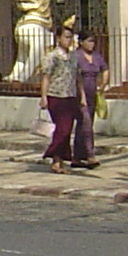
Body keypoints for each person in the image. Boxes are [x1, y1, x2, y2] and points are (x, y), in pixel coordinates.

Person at [37, 23, 83, 173]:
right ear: (58, 38)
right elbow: (46, 77)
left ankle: (58, 161)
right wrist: (43, 96)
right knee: (62, 129)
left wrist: (82, 96)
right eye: (66, 37)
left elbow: (77, 77)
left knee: (67, 129)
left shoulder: (73, 57)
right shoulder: (52, 56)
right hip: (56, 96)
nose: (69, 40)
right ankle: (52, 154)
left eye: (71, 38)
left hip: (70, 95)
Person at [72, 26, 109, 170]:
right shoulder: (76, 56)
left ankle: (77, 156)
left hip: (93, 93)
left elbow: (105, 68)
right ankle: (89, 154)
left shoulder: (96, 56)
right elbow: (76, 77)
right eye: (88, 41)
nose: (91, 44)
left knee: (85, 124)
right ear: (81, 42)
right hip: (80, 94)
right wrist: (81, 96)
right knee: (85, 123)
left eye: (93, 41)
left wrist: (103, 84)